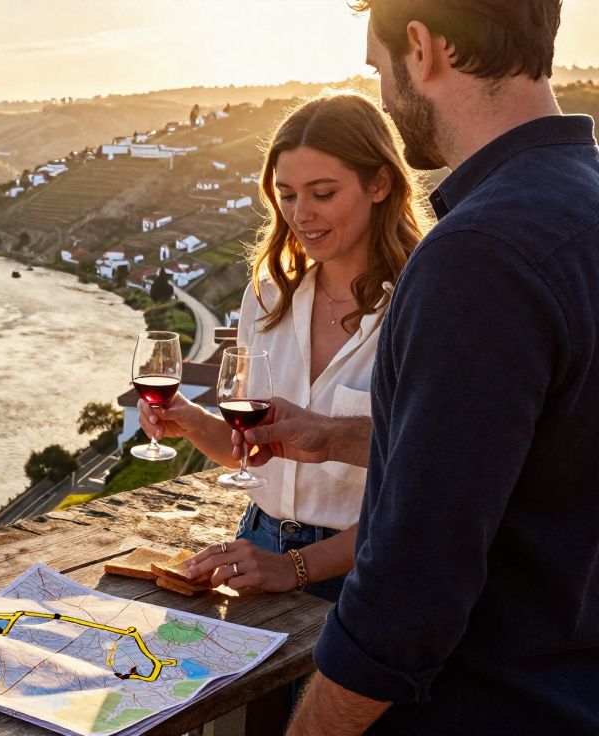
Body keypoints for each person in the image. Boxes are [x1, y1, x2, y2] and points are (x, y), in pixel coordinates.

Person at [233, 2, 598, 733]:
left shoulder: (478, 254)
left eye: (378, 68)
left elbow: (411, 590)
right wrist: (331, 438)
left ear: (423, 49)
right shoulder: (581, 206)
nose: (385, 97)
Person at [138, 91, 425, 601]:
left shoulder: (423, 307)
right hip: (258, 550)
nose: (301, 214)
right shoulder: (268, 297)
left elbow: (427, 484)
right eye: (287, 195)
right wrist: (190, 421)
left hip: (368, 570)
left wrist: (294, 566)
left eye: (322, 192)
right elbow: (252, 453)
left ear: (379, 183)